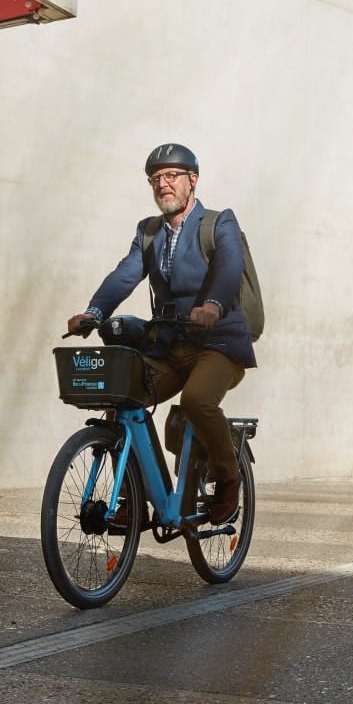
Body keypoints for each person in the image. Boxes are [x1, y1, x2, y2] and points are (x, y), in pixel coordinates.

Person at [68, 143, 256, 524]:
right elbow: (125, 274)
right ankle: (133, 496)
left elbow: (229, 266)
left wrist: (214, 306)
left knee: (197, 399)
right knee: (124, 399)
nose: (163, 184)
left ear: (192, 181)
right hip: (171, 346)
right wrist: (94, 312)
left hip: (218, 345)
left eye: (172, 176)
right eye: (155, 178)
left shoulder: (220, 223)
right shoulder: (149, 232)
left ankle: (228, 478)